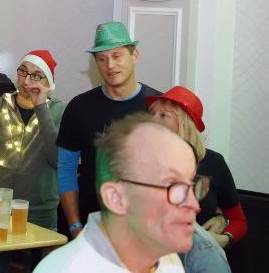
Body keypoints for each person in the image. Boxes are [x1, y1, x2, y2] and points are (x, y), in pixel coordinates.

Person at [35, 113, 199, 272]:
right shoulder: (65, 269)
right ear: (116, 198)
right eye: (171, 184)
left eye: (192, 185)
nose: (194, 204)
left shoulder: (169, 262)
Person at [56, 21, 160, 237]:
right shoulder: (79, 107)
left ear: (135, 55)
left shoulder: (158, 108)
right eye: (102, 59)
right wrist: (75, 226)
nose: (110, 65)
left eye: (117, 56)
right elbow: (66, 169)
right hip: (88, 227)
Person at [0, 50, 65, 272]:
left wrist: (41, 107)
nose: (27, 80)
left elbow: (58, 160)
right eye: (23, 72)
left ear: (48, 82)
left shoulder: (59, 111)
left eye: (36, 75)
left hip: (40, 212)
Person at [147, 86, 247, 247]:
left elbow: (238, 220)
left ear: (185, 123)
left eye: (163, 115)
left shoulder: (214, 162)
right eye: (151, 113)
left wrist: (224, 239)